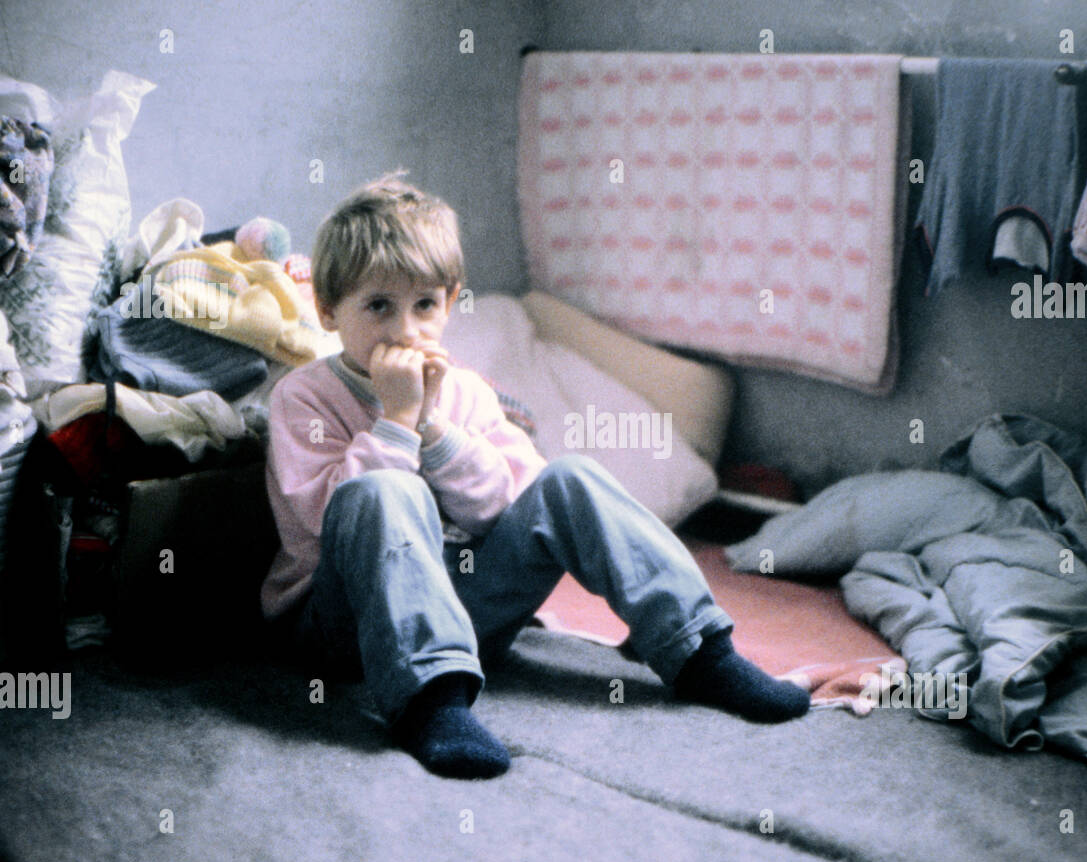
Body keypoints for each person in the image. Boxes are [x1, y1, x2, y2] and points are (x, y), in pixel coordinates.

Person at [261, 171, 809, 779]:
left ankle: (700, 652)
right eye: (378, 306)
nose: (405, 330)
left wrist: (435, 429)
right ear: (330, 310)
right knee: (386, 488)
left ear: (450, 302)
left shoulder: (464, 392)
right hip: (342, 629)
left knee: (568, 478)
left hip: (467, 612)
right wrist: (394, 421)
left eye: (424, 305)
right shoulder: (301, 397)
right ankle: (431, 703)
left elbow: (508, 508)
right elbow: (326, 521)